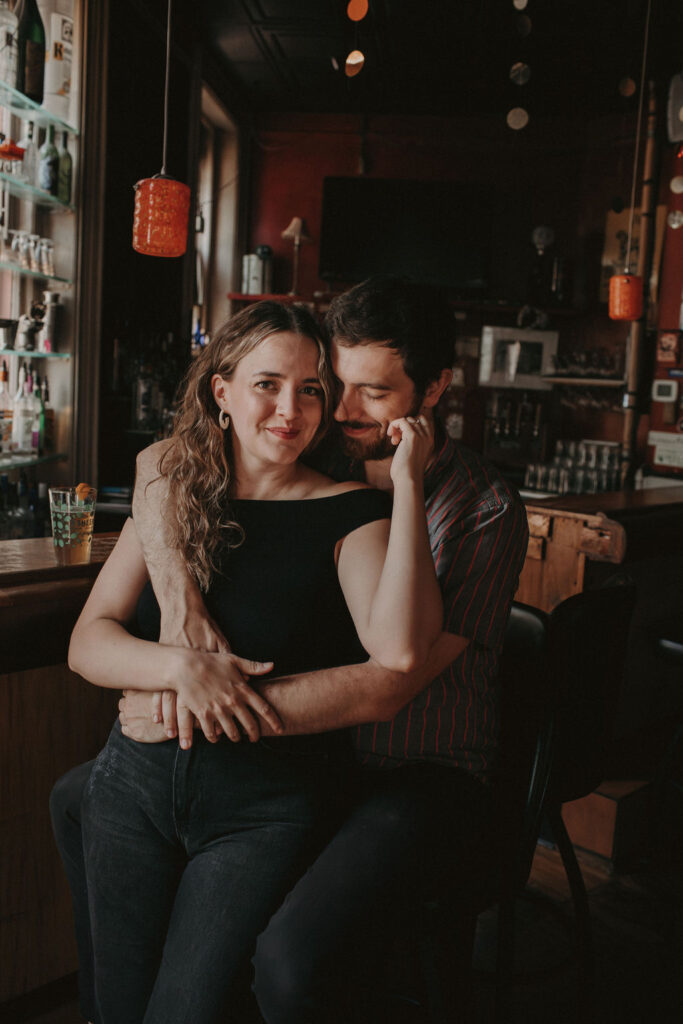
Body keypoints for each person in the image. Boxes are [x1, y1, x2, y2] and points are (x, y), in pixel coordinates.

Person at [51, 276, 529, 1022]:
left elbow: (391, 679)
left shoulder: (478, 511)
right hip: (277, 757)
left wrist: (195, 706)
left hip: (410, 768)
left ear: (431, 389)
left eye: (366, 392)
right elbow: (158, 466)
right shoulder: (320, 445)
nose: (332, 409)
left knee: (285, 961)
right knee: (81, 803)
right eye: (327, 385)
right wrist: (180, 636)